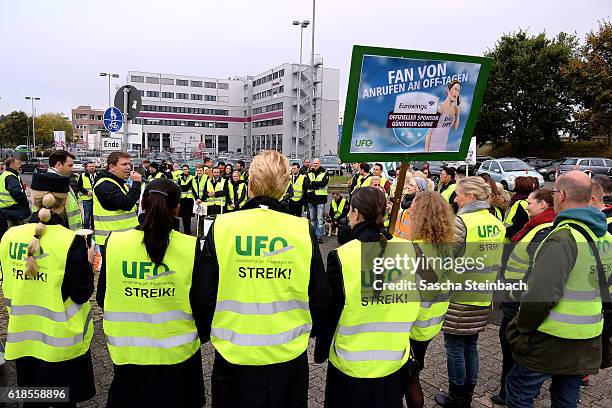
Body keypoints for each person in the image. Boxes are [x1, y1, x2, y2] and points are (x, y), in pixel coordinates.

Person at [195, 150, 330, 408]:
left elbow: (204, 292)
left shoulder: (223, 226)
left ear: (249, 185)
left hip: (234, 356)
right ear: (286, 188)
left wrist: (204, 332)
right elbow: (320, 294)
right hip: (288, 358)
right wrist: (317, 333)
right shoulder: (301, 229)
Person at [505, 171, 612, 408]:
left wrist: (520, 328)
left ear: (561, 195)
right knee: (566, 395)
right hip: (587, 337)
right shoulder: (606, 237)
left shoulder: (563, 238)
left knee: (518, 387)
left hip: (551, 337)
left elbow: (541, 295)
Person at [97, 179, 205, 407]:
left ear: (143, 204)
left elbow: (102, 296)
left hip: (128, 355)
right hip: (178, 357)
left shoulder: (115, 242)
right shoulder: (189, 246)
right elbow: (202, 303)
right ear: (177, 209)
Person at [314, 186, 420, 408]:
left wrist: (321, 350)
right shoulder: (408, 249)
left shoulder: (343, 256)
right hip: (393, 362)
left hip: (351, 366)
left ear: (355, 213)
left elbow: (330, 311)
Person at [0, 171, 96, 406]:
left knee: (33, 401)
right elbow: (82, 293)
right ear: (64, 202)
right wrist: (88, 263)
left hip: (24, 339)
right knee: (63, 401)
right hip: (61, 343)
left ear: (33, 198)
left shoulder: (9, 236)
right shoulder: (70, 241)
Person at [435, 176, 505, 407]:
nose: (455, 198)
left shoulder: (462, 222)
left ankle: (457, 396)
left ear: (471, 196)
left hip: (458, 295)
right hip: (483, 293)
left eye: (458, 194)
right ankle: (468, 393)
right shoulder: (495, 221)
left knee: (454, 346)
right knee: (470, 345)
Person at [491, 188, 556, 406]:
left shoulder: (543, 230)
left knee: (512, 348)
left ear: (543, 205)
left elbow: (534, 269)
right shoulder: (538, 226)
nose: (526, 205)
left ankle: (509, 393)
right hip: (515, 296)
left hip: (517, 299)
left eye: (530, 202)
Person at [405, 192, 456, 408]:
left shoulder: (414, 249)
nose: (409, 211)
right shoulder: (447, 247)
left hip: (413, 325)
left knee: (409, 377)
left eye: (414, 208)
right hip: (433, 321)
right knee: (414, 371)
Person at [92, 152, 142, 246]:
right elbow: (126, 204)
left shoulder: (118, 183)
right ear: (112, 167)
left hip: (124, 238)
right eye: (124, 164)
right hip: (110, 241)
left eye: (129, 164)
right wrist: (136, 184)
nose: (128, 167)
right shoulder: (105, 184)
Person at [48, 150, 82, 231]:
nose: (72, 169)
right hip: (62, 235)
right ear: (59, 164)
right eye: (70, 166)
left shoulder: (57, 181)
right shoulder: (55, 183)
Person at [425, 80, 461, 152]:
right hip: (433, 144)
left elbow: (455, 127)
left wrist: (458, 111)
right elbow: (430, 131)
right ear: (448, 90)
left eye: (458, 90)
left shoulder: (455, 110)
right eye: (455, 89)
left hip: (444, 144)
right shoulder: (440, 108)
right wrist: (426, 151)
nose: (456, 93)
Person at [0, 157, 31, 240]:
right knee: (20, 234)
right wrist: (25, 203)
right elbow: (16, 193)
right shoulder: (11, 177)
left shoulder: (4, 174)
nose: (20, 166)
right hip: (14, 209)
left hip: (5, 208)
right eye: (18, 164)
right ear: (12, 165)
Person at [306, 158, 329, 244]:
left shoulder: (325, 172)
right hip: (311, 198)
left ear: (319, 164)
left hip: (320, 199)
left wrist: (313, 183)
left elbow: (324, 184)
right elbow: (307, 185)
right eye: (314, 163)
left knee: (320, 219)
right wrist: (317, 184)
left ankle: (319, 236)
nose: (315, 165)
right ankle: (313, 236)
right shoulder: (309, 173)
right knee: (313, 219)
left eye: (317, 163)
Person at [78, 161, 98, 230]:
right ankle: (86, 231)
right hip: (87, 199)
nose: (92, 168)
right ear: (86, 168)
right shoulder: (82, 175)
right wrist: (86, 192)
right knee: (87, 216)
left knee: (94, 216)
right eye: (90, 166)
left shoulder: (98, 175)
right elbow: (79, 187)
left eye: (93, 166)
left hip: (96, 200)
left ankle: (93, 230)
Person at [178, 164, 196, 235]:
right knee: (183, 216)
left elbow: (186, 187)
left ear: (188, 170)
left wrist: (183, 186)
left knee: (188, 216)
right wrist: (183, 186)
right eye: (184, 169)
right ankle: (185, 229)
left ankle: (188, 230)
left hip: (189, 199)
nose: (185, 170)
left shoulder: (192, 178)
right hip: (182, 199)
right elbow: (181, 187)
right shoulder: (180, 177)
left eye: (186, 169)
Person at [192, 164, 209, 236]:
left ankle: (204, 232)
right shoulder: (194, 179)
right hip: (197, 201)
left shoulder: (207, 178)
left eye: (200, 170)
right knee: (198, 216)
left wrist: (201, 199)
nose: (199, 172)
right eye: (198, 170)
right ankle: (199, 232)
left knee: (204, 217)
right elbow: (193, 190)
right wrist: (196, 199)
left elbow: (206, 189)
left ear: (203, 171)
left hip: (204, 200)